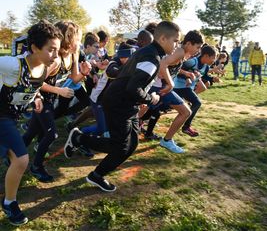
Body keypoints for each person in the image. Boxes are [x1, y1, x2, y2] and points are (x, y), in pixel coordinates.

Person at [64, 21, 180, 192]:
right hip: (119, 104)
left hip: (125, 103)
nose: (176, 45)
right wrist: (151, 98)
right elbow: (134, 88)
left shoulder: (151, 53)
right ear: (163, 38)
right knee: (121, 147)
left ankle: (91, 164)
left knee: (130, 144)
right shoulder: (151, 57)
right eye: (175, 41)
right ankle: (82, 145)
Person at [0, 20, 62, 226]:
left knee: (16, 158)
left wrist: (37, 98)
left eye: (58, 50)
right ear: (34, 48)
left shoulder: (45, 68)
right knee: (21, 159)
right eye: (51, 50)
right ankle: (9, 203)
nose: (55, 55)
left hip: (10, 119)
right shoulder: (13, 65)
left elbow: (33, 86)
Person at [23, 21, 91, 182]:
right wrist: (59, 90)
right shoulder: (55, 59)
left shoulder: (73, 55)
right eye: (78, 39)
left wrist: (84, 73)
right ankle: (36, 166)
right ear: (69, 39)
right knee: (51, 134)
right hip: (40, 98)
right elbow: (36, 82)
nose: (80, 43)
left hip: (50, 97)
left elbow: (74, 78)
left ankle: (8, 154)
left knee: (31, 132)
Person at [174, 45, 218, 137]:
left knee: (196, 103)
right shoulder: (192, 62)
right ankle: (186, 127)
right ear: (206, 56)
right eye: (213, 58)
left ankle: (186, 126)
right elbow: (178, 70)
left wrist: (213, 78)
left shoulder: (205, 66)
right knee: (196, 103)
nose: (214, 60)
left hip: (187, 88)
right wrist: (187, 77)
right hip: (178, 87)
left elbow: (204, 76)